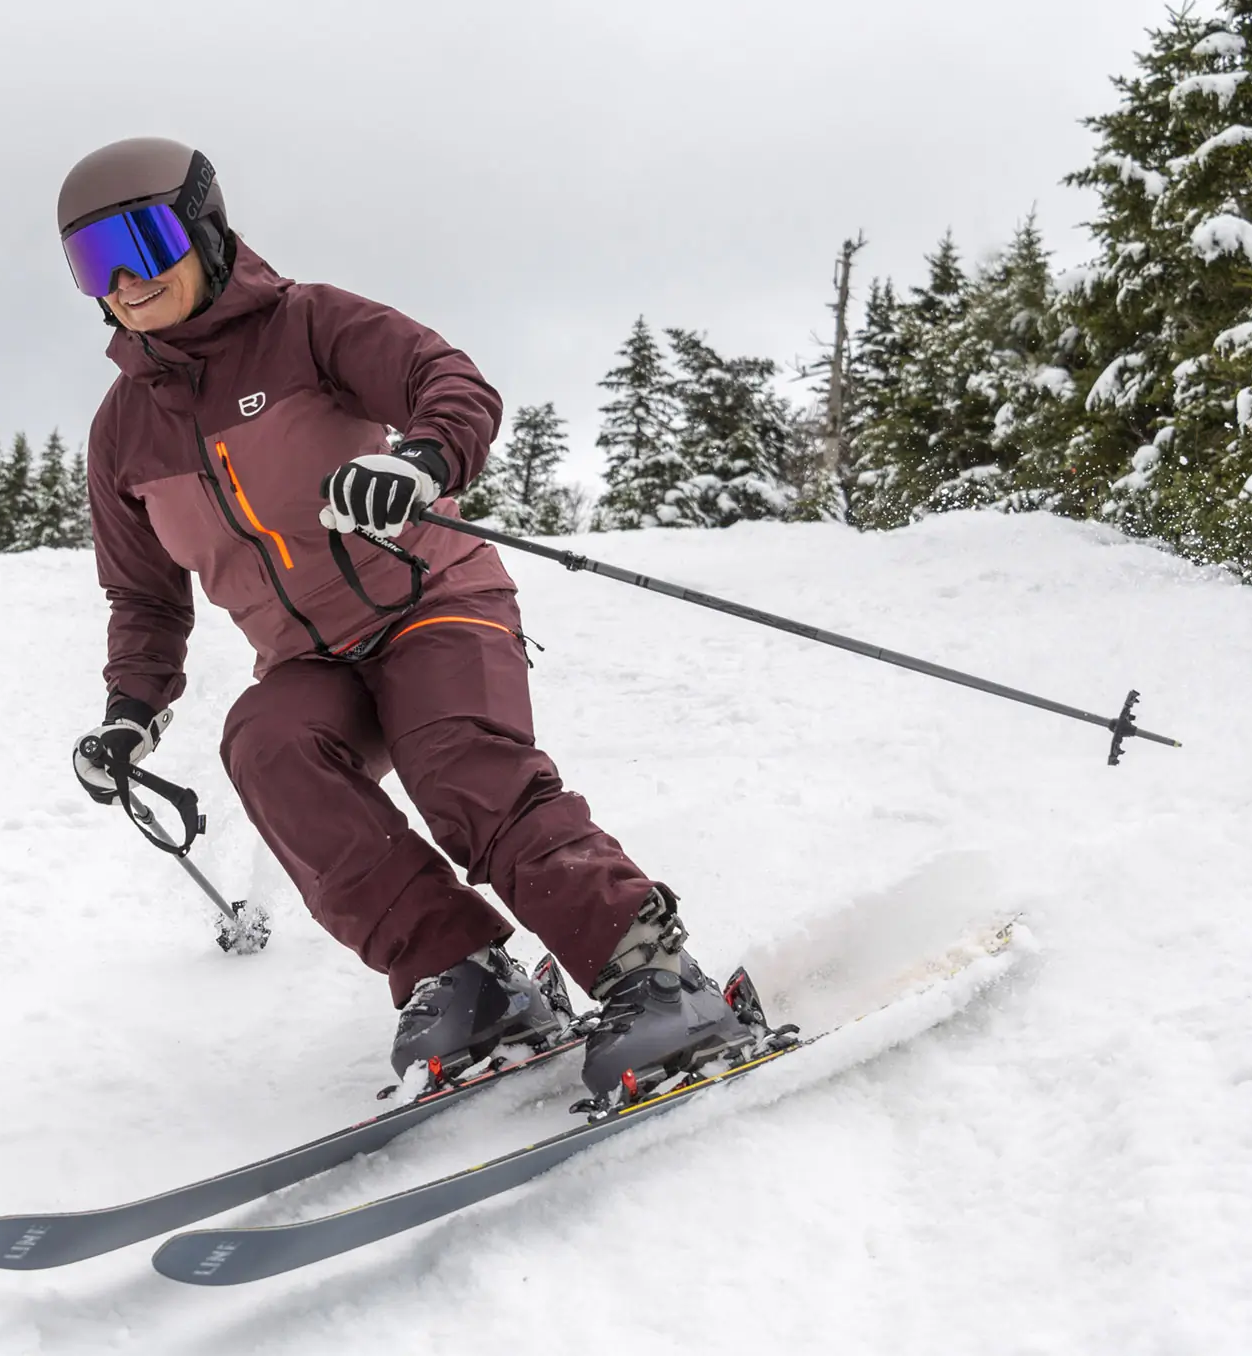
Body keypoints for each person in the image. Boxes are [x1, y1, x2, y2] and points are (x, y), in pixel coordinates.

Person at [58, 136, 749, 1099]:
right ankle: (464, 977)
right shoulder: (122, 432)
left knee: (457, 763)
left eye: (142, 243)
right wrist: (129, 712)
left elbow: (448, 380)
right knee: (266, 743)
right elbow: (143, 595)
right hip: (309, 660)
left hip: (433, 603)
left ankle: (651, 972)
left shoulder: (309, 324)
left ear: (204, 230)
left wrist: (419, 460)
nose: (125, 282)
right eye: (94, 261)